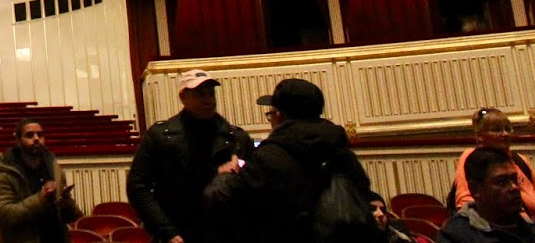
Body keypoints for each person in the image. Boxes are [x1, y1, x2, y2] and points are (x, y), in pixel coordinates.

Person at [205, 77, 372, 243]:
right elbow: (362, 190)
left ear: (279, 115)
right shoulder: (338, 148)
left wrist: (225, 176)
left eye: (271, 113)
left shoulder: (268, 157)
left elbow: (228, 202)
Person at [127, 69, 253, 243]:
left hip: (224, 233)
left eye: (211, 94)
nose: (208, 100)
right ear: (183, 97)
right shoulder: (160, 136)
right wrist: (167, 232)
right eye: (200, 94)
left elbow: (254, 187)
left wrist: (237, 173)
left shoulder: (237, 138)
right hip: (178, 231)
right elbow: (137, 187)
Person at [0, 117, 82, 243]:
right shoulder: (4, 174)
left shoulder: (55, 169)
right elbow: (3, 214)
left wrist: (66, 203)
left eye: (40, 135)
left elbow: (72, 217)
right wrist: (40, 198)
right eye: (29, 135)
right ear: (18, 141)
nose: (36, 138)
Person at [439, 148, 535, 243]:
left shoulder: (530, 229)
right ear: (475, 189)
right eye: (501, 182)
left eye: (514, 179)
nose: (514, 187)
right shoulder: (454, 236)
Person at [452, 110, 535, 219]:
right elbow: (465, 202)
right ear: (480, 135)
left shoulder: (520, 159)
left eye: (507, 129)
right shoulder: (472, 158)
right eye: (497, 130)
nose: (505, 134)